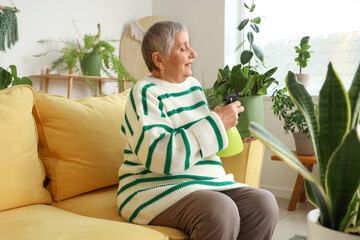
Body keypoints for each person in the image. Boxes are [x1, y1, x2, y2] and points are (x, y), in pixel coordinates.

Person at [117, 20, 279, 240]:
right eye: (183, 48)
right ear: (159, 59)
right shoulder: (145, 93)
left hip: (205, 182)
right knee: (220, 212)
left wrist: (224, 124)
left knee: (264, 204)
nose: (193, 53)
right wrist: (216, 123)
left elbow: (204, 144)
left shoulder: (193, 87)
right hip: (153, 189)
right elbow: (160, 157)